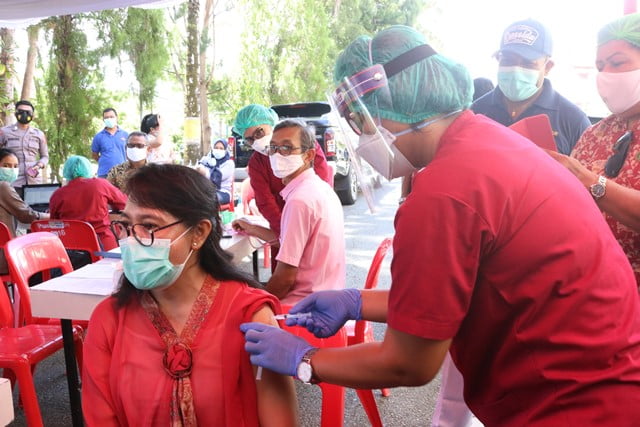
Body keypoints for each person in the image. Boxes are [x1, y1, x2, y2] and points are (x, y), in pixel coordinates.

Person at [240, 25, 640, 426]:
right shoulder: (487, 141)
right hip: (606, 379)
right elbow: (446, 295)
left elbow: (408, 363)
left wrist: (305, 359)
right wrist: (356, 301)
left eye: (362, 122)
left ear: (394, 107)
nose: (363, 139)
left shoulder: (445, 191)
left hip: (572, 404)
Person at [82, 163, 297, 426]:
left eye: (149, 225)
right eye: (127, 225)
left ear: (199, 233)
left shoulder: (251, 318)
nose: (133, 240)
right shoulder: (109, 320)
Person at [549, 13, 640, 287]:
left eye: (617, 63)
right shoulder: (595, 133)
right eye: (600, 66)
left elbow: (585, 182)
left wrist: (591, 183)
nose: (606, 75)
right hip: (592, 288)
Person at [232, 119, 345, 305]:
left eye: (286, 148)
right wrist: (252, 228)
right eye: (273, 148)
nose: (277, 155)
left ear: (308, 155)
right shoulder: (320, 189)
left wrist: (255, 304)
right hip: (327, 296)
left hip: (302, 304)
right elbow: (289, 241)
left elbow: (285, 279)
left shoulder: (299, 201)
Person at [471, 19, 591, 155]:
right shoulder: (477, 111)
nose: (515, 70)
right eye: (508, 61)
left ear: (548, 67)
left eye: (528, 63)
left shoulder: (573, 120)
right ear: (499, 60)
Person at [232, 105, 333, 265]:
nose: (257, 141)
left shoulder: (304, 145)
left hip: (314, 222)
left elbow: (323, 180)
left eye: (259, 132)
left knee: (314, 266)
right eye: (250, 139)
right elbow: (265, 202)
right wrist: (286, 233)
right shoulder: (257, 163)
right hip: (281, 227)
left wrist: (299, 232)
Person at [49, 155, 127, 250]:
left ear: (66, 172)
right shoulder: (100, 184)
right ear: (88, 169)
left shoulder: (57, 195)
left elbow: (54, 224)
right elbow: (124, 203)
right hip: (103, 245)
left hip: (71, 249)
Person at [0, 148, 49, 273]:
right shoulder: (3, 186)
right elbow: (27, 215)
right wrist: (50, 215)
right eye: (6, 166)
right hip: (4, 258)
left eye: (15, 166)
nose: (11, 170)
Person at [0, 100, 49, 188]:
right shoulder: (4, 132)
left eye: (28, 112)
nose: (24, 114)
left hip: (34, 181)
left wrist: (38, 166)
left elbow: (45, 156)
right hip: (12, 182)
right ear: (15, 113)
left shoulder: (39, 134)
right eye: (21, 111)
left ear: (33, 115)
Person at [91, 107, 129, 178]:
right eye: (106, 117)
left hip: (122, 172)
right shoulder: (98, 136)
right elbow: (94, 155)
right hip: (104, 173)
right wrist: (104, 161)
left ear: (116, 118)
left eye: (111, 117)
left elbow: (129, 152)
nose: (109, 119)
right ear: (103, 120)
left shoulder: (125, 134)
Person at [196, 138, 235, 204]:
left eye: (221, 148)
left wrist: (204, 172)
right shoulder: (205, 160)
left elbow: (219, 176)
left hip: (222, 192)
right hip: (206, 190)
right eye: (216, 148)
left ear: (225, 150)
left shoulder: (229, 163)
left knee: (206, 200)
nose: (218, 150)